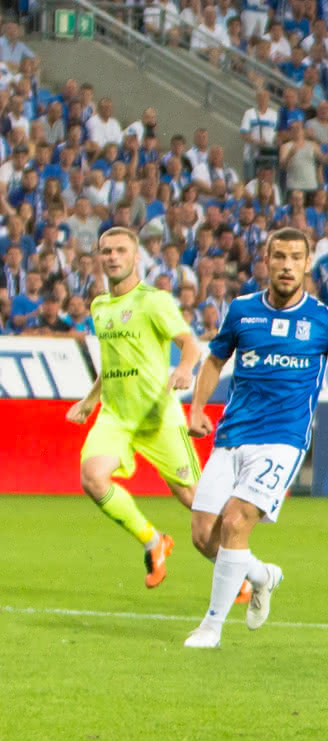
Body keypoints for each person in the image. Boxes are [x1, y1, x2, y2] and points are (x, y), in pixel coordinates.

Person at [181, 229, 328, 648]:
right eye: (279, 256)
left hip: (282, 441)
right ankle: (262, 574)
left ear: (308, 264)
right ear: (265, 261)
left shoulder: (324, 320)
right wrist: (196, 409)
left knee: (235, 522)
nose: (287, 265)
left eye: (296, 258)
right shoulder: (243, 311)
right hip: (232, 436)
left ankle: (210, 627)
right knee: (202, 536)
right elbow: (214, 360)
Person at [66, 228, 204, 588]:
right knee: (92, 476)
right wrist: (91, 398)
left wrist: (185, 367)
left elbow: (190, 343)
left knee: (196, 501)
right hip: (116, 417)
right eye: (106, 251)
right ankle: (154, 541)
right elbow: (112, 363)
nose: (112, 256)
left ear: (136, 256)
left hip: (158, 416)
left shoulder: (154, 301)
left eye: (120, 250)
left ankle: (244, 570)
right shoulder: (99, 306)